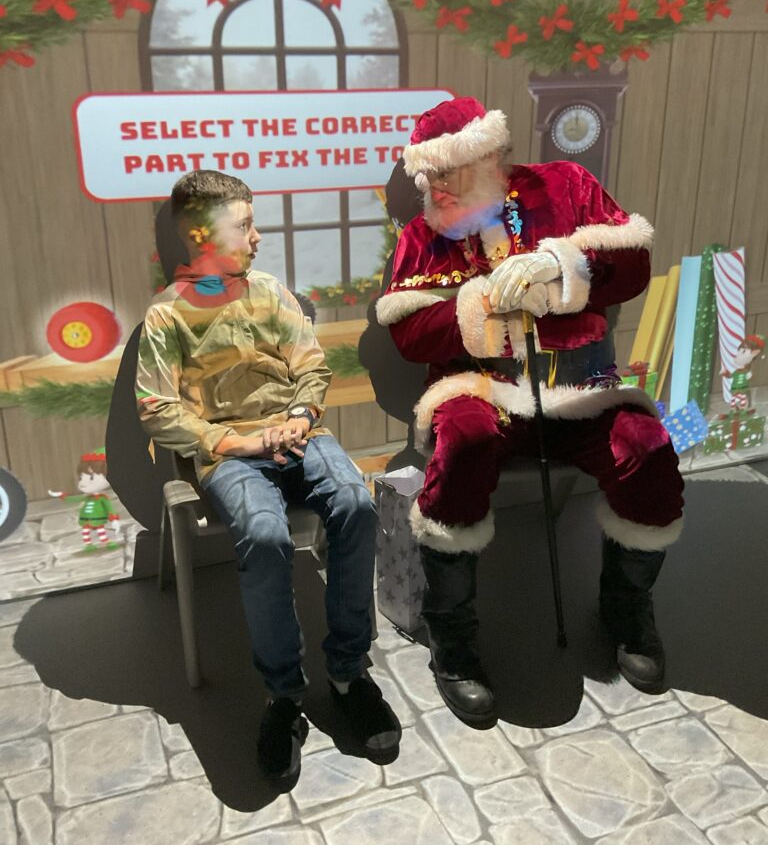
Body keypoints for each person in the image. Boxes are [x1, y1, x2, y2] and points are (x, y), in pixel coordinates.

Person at [376, 97, 685, 728]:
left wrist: (563, 267)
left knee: (647, 449)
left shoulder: (566, 187)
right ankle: (452, 636)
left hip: (579, 386)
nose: (434, 188)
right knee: (462, 448)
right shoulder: (421, 237)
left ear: (490, 156)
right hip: (478, 388)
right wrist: (479, 304)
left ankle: (626, 608)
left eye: (448, 172)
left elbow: (633, 266)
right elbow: (409, 335)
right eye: (427, 175)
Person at [135, 170, 400, 787]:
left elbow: (311, 365)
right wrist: (239, 441)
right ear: (203, 236)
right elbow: (158, 409)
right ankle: (283, 694)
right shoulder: (167, 315)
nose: (257, 238)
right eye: (245, 225)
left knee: (356, 504)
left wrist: (301, 415)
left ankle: (348, 673)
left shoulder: (271, 293)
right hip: (228, 450)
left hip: (299, 434)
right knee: (264, 532)